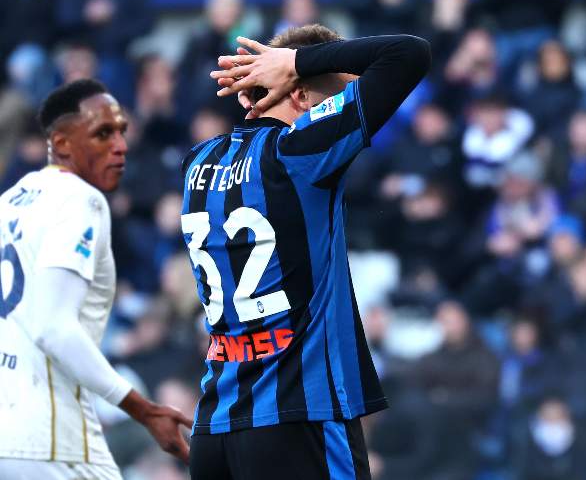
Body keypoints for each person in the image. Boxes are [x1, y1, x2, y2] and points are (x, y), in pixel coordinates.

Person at [185, 25, 431, 479]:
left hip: (214, 425)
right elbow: (409, 53)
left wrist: (267, 85)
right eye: (336, 96)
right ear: (300, 96)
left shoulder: (198, 161)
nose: (349, 107)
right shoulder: (299, 154)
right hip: (302, 416)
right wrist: (296, 63)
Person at [0, 79, 191, 478]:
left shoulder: (11, 199)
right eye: (103, 133)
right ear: (62, 143)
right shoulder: (80, 200)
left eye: (121, 130)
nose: (119, 145)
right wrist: (144, 408)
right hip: (48, 434)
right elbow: (53, 328)